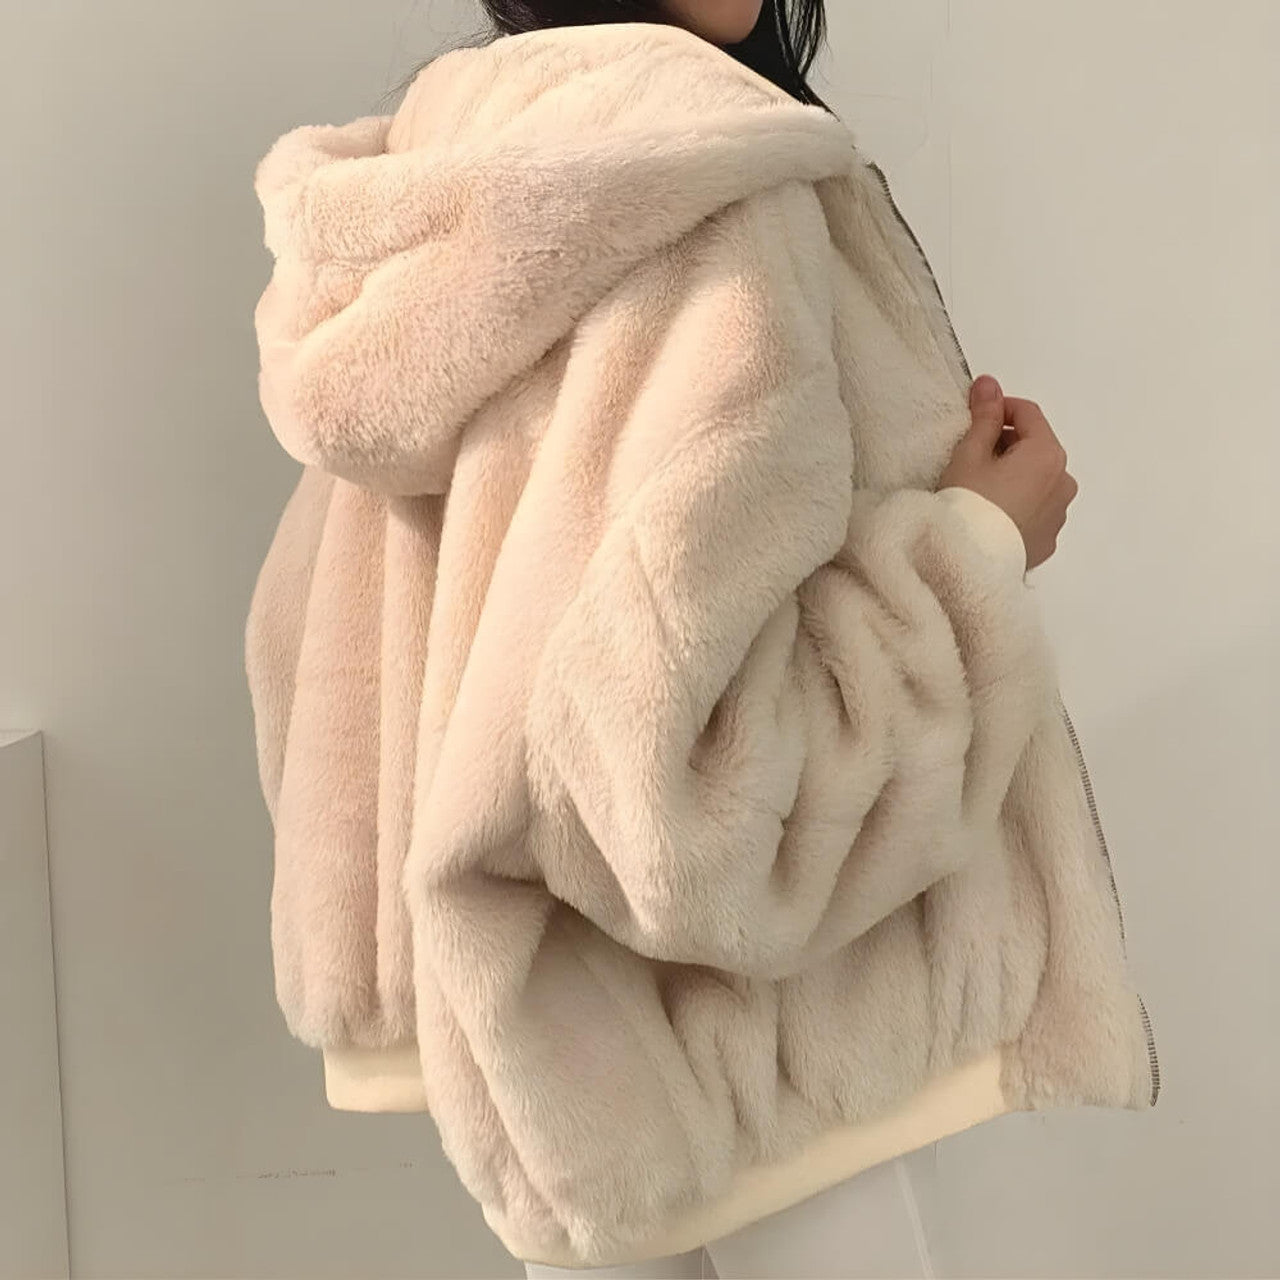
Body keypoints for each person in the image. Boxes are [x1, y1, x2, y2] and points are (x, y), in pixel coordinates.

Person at [244, 1, 1159, 1275]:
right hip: (754, 1046)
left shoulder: (446, 164)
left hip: (565, 1041)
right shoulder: (707, 188)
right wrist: (975, 546)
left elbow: (308, 646)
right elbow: (689, 797)